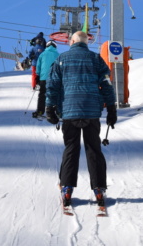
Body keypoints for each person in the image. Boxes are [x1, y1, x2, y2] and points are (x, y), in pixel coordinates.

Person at [46, 31, 117, 210]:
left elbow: (52, 84)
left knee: (71, 148)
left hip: (69, 111)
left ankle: (67, 188)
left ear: (72, 42)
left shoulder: (61, 59)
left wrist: (49, 107)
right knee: (93, 149)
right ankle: (99, 188)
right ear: (86, 43)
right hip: (92, 111)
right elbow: (107, 84)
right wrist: (111, 108)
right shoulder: (96, 59)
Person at [32, 41, 58, 119]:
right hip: (55, 78)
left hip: (44, 78)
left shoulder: (42, 54)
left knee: (42, 95)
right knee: (56, 95)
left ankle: (40, 111)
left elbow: (38, 67)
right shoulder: (58, 55)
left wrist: (38, 75)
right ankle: (57, 112)